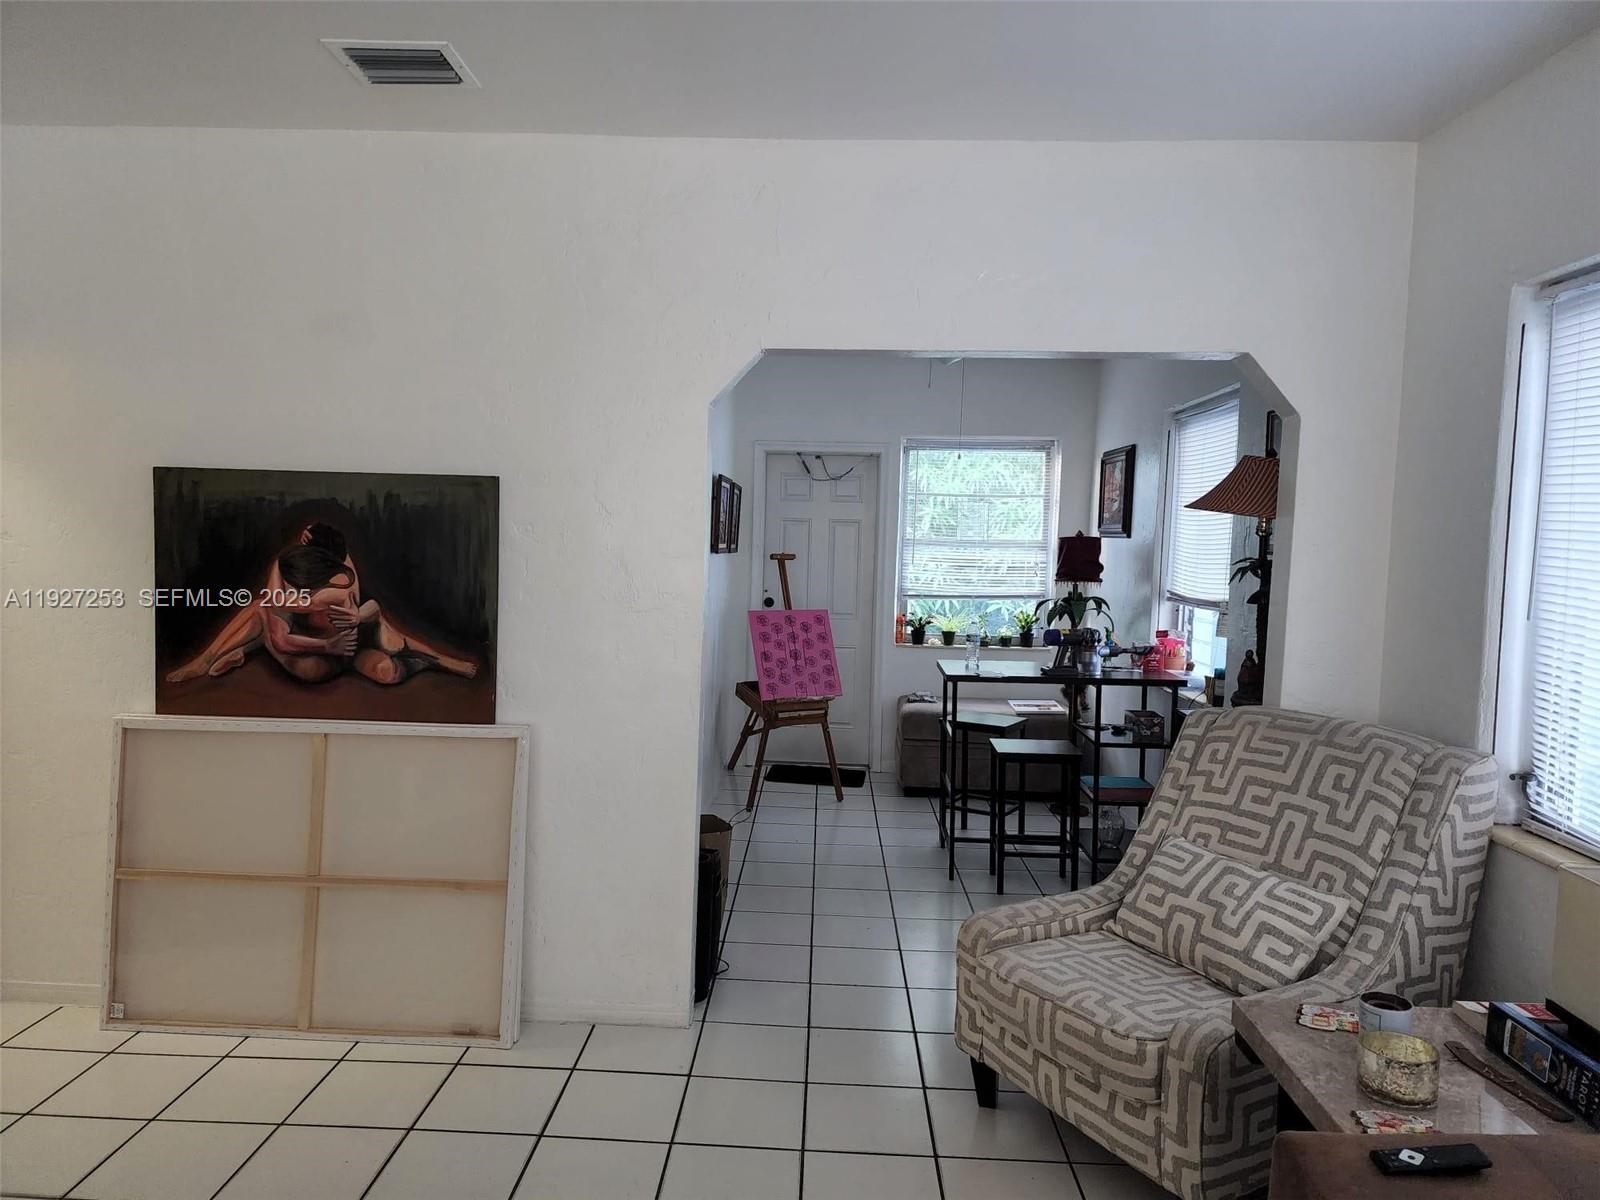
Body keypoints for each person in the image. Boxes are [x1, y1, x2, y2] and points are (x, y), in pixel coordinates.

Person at [165, 522, 477, 686]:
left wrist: (335, 640)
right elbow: (370, 607)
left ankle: (235, 651)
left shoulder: (326, 588)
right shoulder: (338, 573)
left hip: (330, 655)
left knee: (264, 612)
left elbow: (282, 635)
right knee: (384, 668)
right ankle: (216, 658)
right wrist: (342, 632)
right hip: (336, 648)